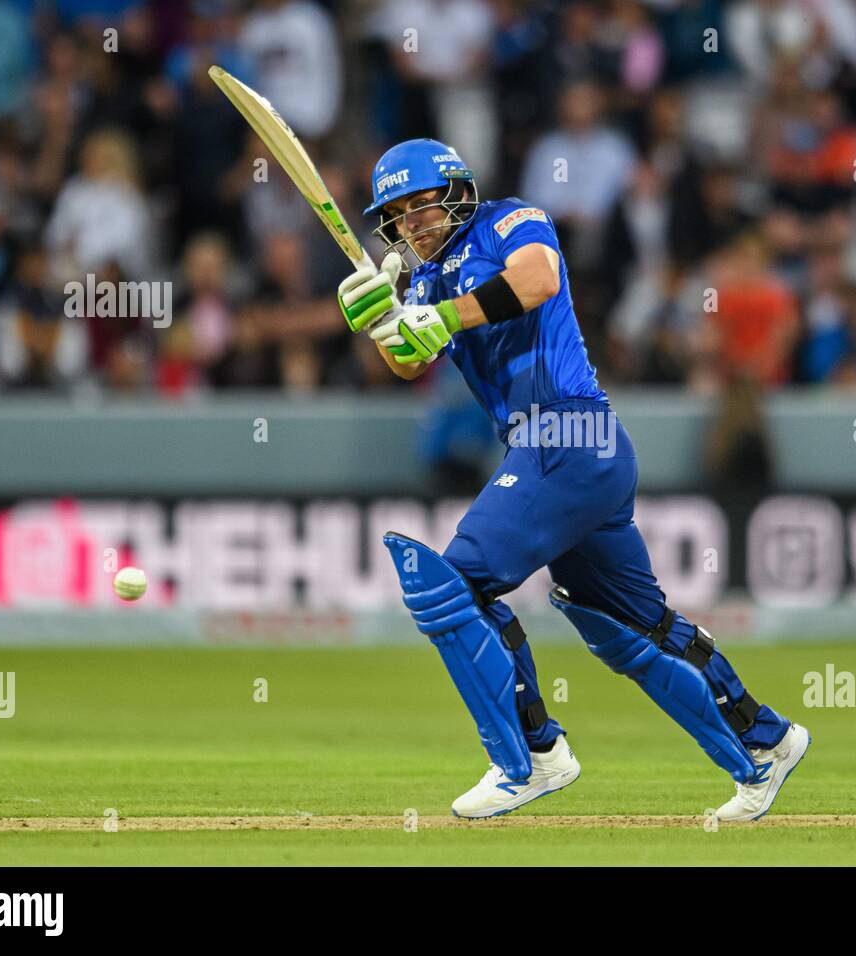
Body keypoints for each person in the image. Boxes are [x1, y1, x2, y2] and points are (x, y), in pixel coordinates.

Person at [336, 138, 809, 821]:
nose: (413, 223)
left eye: (422, 204)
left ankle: (530, 757)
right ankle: (765, 739)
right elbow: (409, 364)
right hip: (569, 455)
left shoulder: (509, 221)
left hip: (566, 433)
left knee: (453, 587)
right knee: (628, 627)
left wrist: (436, 314)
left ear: (457, 191)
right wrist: (383, 320)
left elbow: (537, 281)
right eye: (399, 215)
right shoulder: (428, 281)